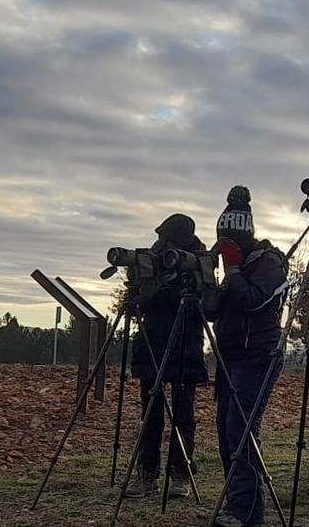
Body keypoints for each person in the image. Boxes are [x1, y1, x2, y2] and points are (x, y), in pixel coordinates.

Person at [211, 185, 288, 527]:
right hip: (230, 355)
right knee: (226, 431)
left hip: (258, 355)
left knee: (241, 429)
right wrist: (204, 284)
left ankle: (245, 513)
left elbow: (253, 299)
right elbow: (214, 311)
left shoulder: (269, 263)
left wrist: (233, 271)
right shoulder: (237, 267)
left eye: (229, 243)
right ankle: (235, 504)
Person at [125, 213, 209, 499]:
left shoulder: (198, 261)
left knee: (183, 416)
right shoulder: (154, 259)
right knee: (150, 414)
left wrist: (163, 292)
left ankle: (180, 476)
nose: (160, 243)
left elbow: (204, 304)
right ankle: (147, 476)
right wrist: (139, 289)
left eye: (166, 238)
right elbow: (140, 295)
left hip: (185, 344)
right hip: (152, 344)